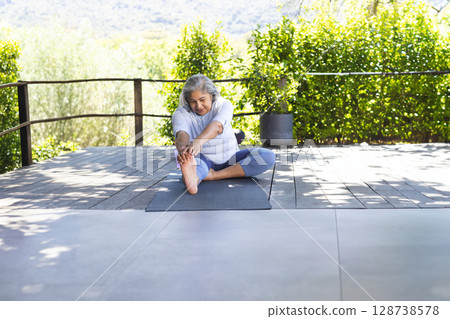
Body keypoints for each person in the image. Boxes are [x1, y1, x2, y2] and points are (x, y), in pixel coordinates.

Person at [172, 74, 276, 194]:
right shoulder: (181, 113)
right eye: (193, 101)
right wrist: (184, 152)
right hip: (203, 159)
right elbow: (182, 134)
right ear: (187, 100)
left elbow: (217, 126)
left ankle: (214, 175)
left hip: (232, 159)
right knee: (194, 166)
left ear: (211, 95)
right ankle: (192, 178)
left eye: (202, 100)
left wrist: (198, 142)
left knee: (268, 156)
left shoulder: (224, 105)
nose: (198, 106)